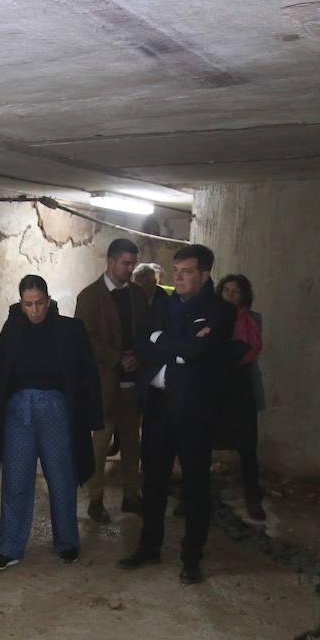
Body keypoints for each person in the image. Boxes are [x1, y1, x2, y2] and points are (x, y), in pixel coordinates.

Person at [119, 243, 236, 584]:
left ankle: (191, 557)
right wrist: (180, 346)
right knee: (153, 482)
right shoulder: (163, 303)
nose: (178, 277)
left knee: (196, 486)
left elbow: (199, 350)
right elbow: (142, 345)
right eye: (176, 271)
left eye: (186, 272)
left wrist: (164, 340)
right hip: (157, 406)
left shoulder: (221, 311)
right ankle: (149, 546)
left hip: (194, 410)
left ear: (204, 275)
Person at [0, 275, 101, 570]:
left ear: (48, 301)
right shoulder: (12, 329)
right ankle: (10, 546)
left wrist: (91, 416)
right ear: (21, 303)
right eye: (28, 304)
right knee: (16, 479)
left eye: (39, 303)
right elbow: (0, 372)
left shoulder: (69, 329)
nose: (34, 310)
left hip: (56, 410)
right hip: (19, 412)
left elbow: (88, 372)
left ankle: (67, 542)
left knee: (62, 477)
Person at [75, 238, 150, 523]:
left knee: (132, 443)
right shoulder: (89, 297)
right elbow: (85, 339)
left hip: (133, 381)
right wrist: (117, 357)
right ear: (110, 262)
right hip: (104, 382)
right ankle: (96, 499)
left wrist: (139, 357)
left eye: (132, 263)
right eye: (125, 263)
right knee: (100, 444)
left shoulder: (139, 295)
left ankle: (131, 495)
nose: (130, 269)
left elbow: (147, 331)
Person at [216, 274, 266, 521]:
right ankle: (193, 498)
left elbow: (251, 351)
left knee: (247, 446)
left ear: (244, 294)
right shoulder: (212, 318)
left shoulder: (253, 319)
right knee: (203, 443)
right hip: (216, 387)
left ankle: (253, 498)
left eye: (236, 291)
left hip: (243, 386)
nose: (231, 295)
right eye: (227, 290)